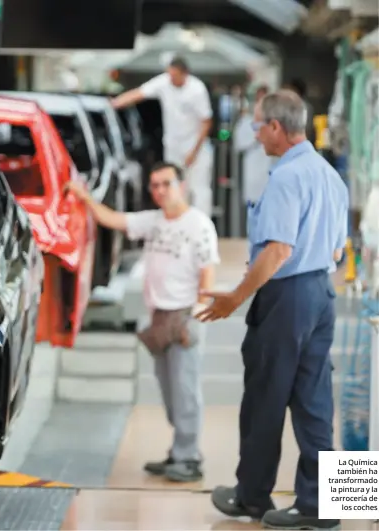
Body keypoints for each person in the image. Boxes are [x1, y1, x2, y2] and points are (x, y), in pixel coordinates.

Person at [196, 90, 348, 530]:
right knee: (315, 402)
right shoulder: (328, 174)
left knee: (265, 397)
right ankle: (322, 506)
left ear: (277, 128)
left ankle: (252, 498)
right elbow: (338, 246)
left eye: (258, 125)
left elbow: (279, 250)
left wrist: (235, 296)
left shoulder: (286, 177)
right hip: (321, 292)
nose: (256, 133)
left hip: (287, 297)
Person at [65, 161, 220, 482]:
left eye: (166, 184)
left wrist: (197, 314)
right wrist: (83, 196)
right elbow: (111, 219)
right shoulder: (153, 221)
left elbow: (208, 272)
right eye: (155, 185)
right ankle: (179, 451)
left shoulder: (199, 225)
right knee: (169, 391)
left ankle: (189, 457)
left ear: (181, 185)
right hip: (159, 317)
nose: (160, 191)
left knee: (186, 391)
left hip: (184, 316)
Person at [110, 56, 214, 217]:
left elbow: (206, 122)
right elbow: (139, 93)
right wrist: (115, 103)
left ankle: (203, 227)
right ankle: (178, 224)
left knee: (198, 189)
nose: (171, 79)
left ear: (185, 74)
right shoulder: (164, 82)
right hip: (173, 146)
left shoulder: (197, 89)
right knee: (175, 187)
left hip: (195, 147)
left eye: (175, 76)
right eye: (170, 75)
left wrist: (194, 152)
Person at [233, 84, 272, 209]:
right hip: (252, 170)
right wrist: (256, 138)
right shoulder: (246, 121)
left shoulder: (276, 122)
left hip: (270, 170)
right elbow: (239, 144)